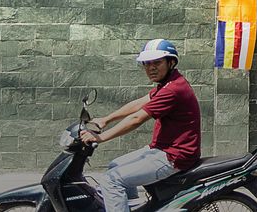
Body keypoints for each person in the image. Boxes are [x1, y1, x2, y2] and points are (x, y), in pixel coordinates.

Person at [81, 39, 201, 212]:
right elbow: (139, 103)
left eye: (157, 62)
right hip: (161, 149)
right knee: (115, 165)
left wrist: (100, 138)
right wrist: (106, 119)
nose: (151, 68)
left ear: (171, 62)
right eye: (147, 63)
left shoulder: (173, 89)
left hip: (174, 156)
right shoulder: (168, 83)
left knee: (111, 180)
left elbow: (137, 118)